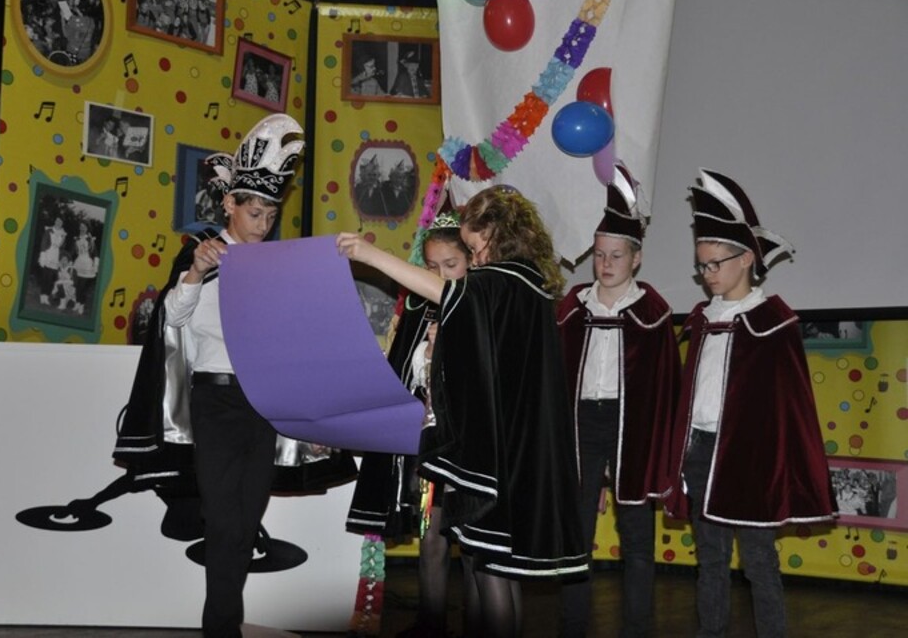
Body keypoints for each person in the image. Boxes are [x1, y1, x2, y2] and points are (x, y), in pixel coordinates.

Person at [338, 185, 587, 638]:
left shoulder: (504, 280)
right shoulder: (529, 285)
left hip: (497, 455)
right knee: (498, 570)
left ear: (497, 234)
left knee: (491, 574)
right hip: (518, 451)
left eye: (474, 248)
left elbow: (447, 292)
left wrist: (369, 255)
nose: (476, 258)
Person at [114, 113, 305, 638]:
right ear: (229, 205)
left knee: (244, 522)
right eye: (255, 212)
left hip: (264, 404)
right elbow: (172, 321)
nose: (263, 224)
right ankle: (222, 629)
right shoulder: (198, 254)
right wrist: (196, 271)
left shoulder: (275, 264)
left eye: (271, 215)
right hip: (215, 401)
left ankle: (224, 624)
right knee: (222, 521)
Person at [665, 169, 837, 638]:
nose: (707, 275)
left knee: (759, 562)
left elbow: (791, 410)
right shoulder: (702, 319)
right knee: (711, 559)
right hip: (701, 453)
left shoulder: (773, 323)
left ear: (745, 258)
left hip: (751, 461)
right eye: (701, 266)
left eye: (714, 264)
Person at [555, 163, 680, 637]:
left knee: (637, 539)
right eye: (599, 255)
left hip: (633, 429)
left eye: (616, 256)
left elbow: (665, 389)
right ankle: (572, 626)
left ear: (637, 258)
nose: (605, 264)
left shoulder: (653, 313)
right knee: (576, 534)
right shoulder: (572, 308)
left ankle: (637, 628)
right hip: (581, 424)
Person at [345, 212, 473, 638]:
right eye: (432, 266)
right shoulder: (419, 306)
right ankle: (431, 623)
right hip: (430, 442)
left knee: (474, 545)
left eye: (451, 265)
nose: (440, 275)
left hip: (470, 445)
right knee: (431, 534)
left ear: (472, 260)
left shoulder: (478, 302)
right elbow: (405, 372)